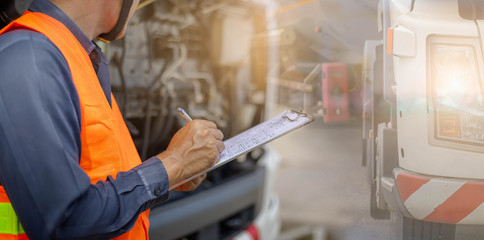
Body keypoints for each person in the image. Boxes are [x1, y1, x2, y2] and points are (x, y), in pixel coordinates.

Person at [0, 0, 225, 239]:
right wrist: (173, 164)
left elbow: (99, 174)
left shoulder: (77, 56)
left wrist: (176, 173)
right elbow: (67, 221)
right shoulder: (28, 55)